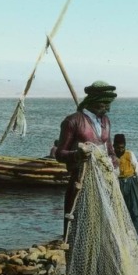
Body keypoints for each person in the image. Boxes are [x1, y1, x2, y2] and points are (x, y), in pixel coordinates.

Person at [55, 81, 118, 240]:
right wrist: (77, 154)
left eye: (108, 104)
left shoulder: (105, 121)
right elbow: (60, 154)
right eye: (104, 104)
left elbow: (110, 150)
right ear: (94, 101)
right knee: (79, 229)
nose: (107, 108)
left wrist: (114, 163)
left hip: (104, 183)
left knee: (102, 229)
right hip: (81, 183)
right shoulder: (73, 121)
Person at [113, 133, 138, 243]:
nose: (120, 150)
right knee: (120, 210)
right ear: (113, 146)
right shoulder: (111, 157)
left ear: (125, 146)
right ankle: (122, 237)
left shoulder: (130, 154)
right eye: (118, 148)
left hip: (131, 182)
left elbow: (137, 168)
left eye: (122, 147)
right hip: (118, 183)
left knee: (135, 210)